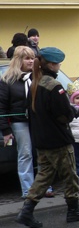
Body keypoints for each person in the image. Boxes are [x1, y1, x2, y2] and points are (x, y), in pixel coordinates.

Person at [16, 47, 79, 228]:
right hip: (58, 139)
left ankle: (26, 211)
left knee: (44, 175)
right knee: (70, 176)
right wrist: (73, 112)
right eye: (58, 63)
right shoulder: (54, 86)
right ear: (51, 64)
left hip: (41, 139)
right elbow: (62, 114)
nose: (59, 66)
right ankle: (73, 210)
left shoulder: (35, 83)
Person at [0, 46, 36, 198]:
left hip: (38, 122)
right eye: (27, 58)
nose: (31, 61)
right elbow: (1, 107)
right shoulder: (8, 80)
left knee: (42, 154)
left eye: (32, 58)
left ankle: (44, 186)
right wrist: (6, 130)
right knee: (25, 154)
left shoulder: (37, 77)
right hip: (19, 122)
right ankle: (28, 189)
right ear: (18, 60)